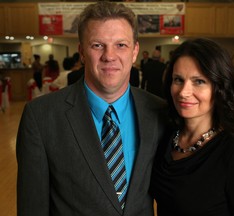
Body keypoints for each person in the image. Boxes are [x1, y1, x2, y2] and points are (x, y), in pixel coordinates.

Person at [16, 2, 167, 216]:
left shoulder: (159, 111)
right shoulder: (41, 117)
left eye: (121, 45)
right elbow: (32, 207)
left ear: (134, 52)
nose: (109, 56)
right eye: (97, 45)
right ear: (82, 52)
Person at [150, 38, 234, 216]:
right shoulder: (165, 137)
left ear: (219, 87)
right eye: (178, 80)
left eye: (199, 81)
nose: (184, 92)